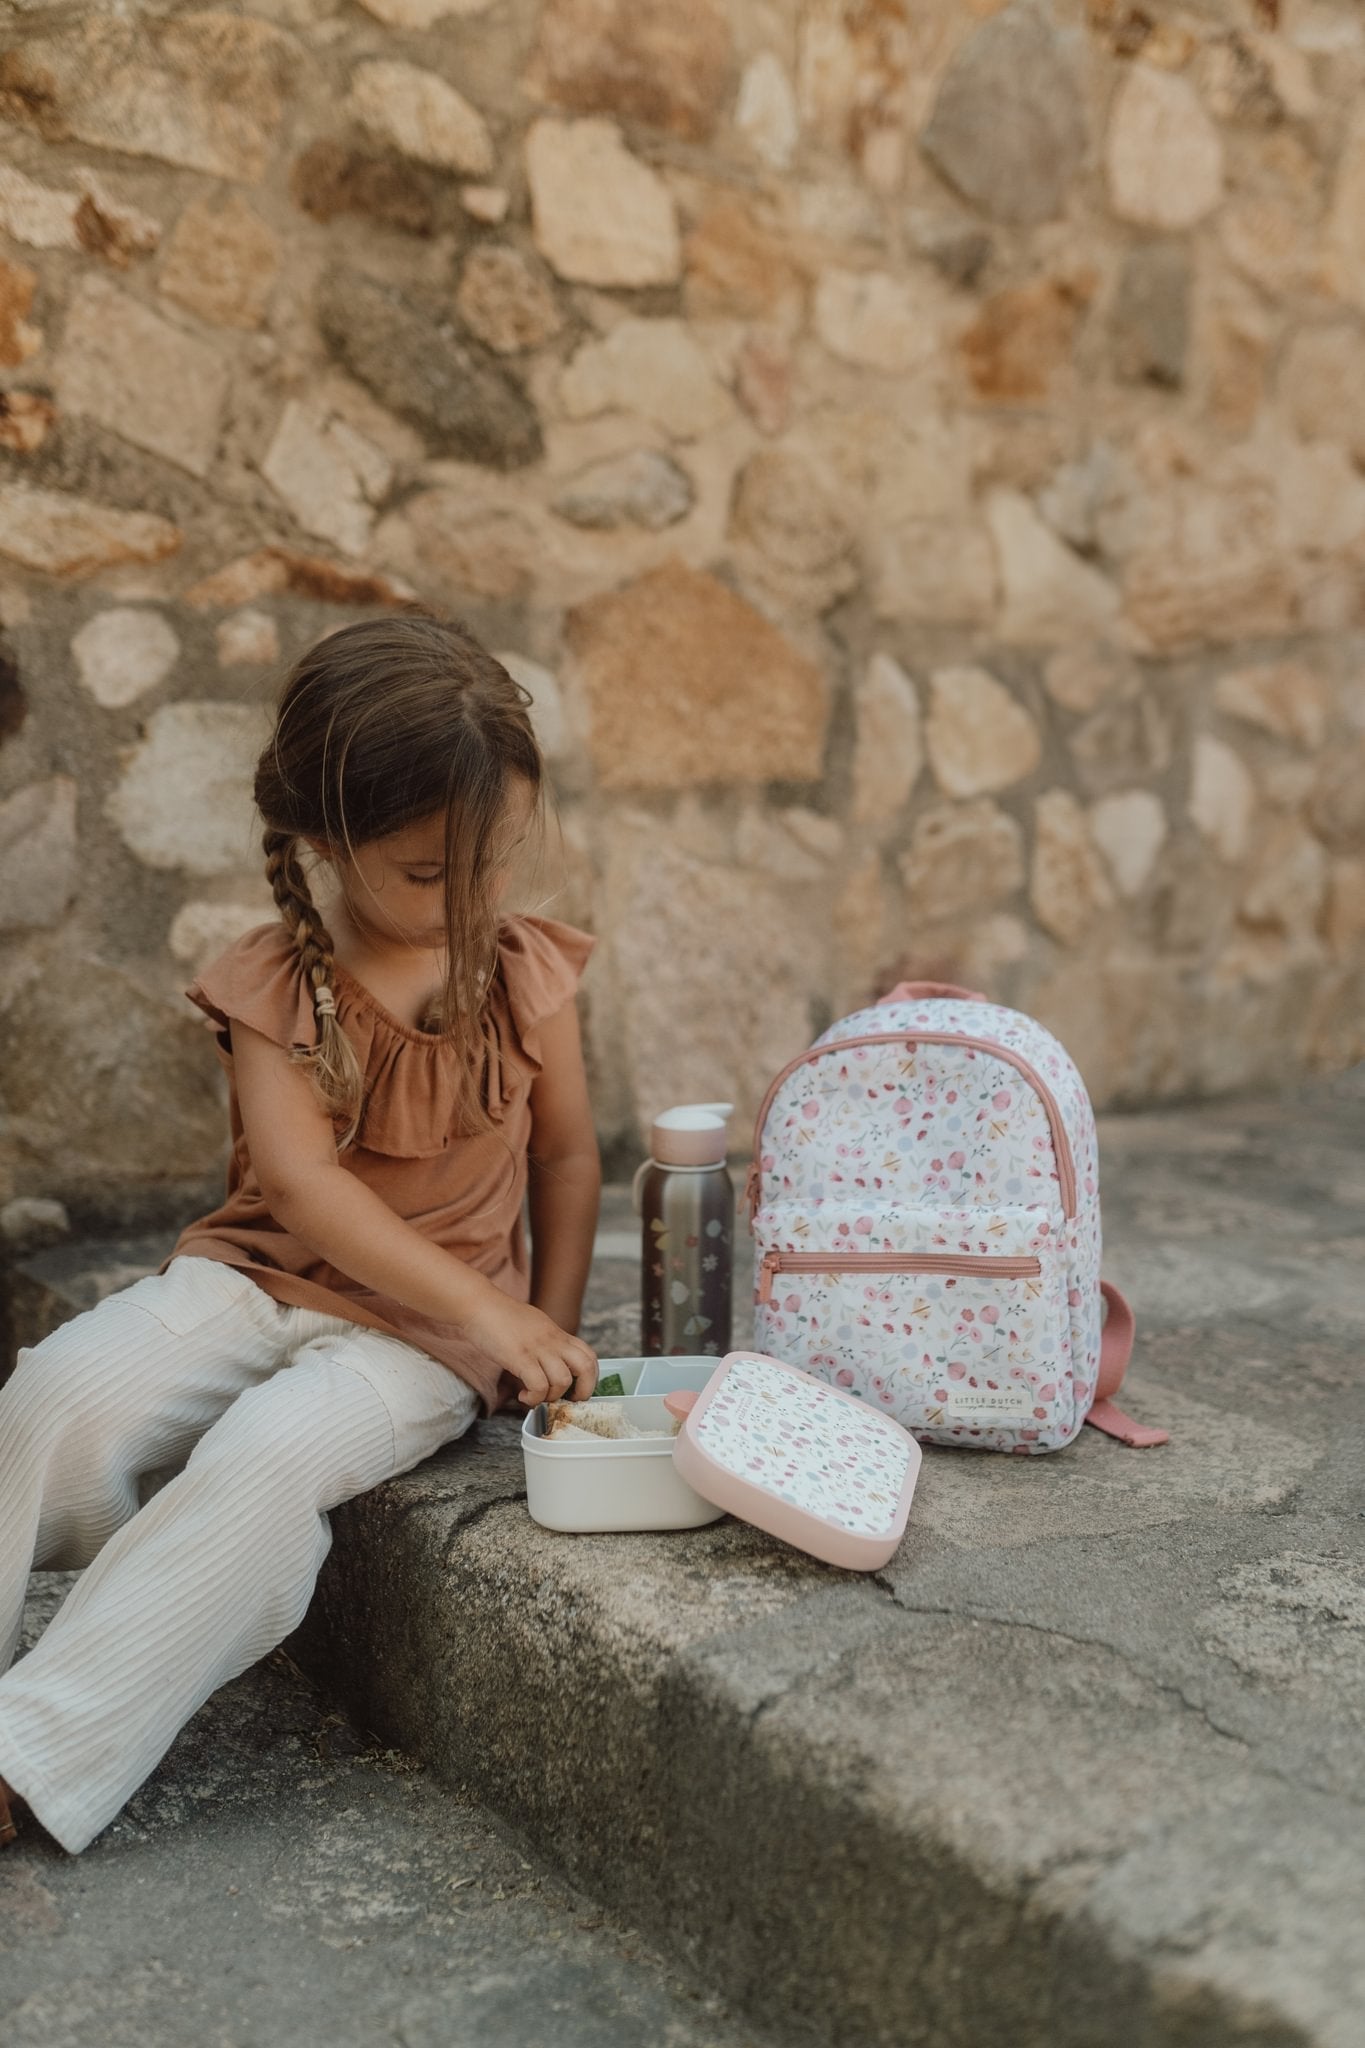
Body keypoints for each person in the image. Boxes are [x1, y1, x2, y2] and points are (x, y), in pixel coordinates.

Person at [0, 612, 600, 1855]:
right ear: (326, 842)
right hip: (261, 1274)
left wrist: (534, 1328)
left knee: (266, 1458)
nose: (475, 895)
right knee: (58, 1393)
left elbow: (567, 1154)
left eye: (495, 857)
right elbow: (306, 1188)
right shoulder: (280, 982)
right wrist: (497, 1308)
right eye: (428, 872)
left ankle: (30, 1751)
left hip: (425, 1338)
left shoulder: (525, 973)